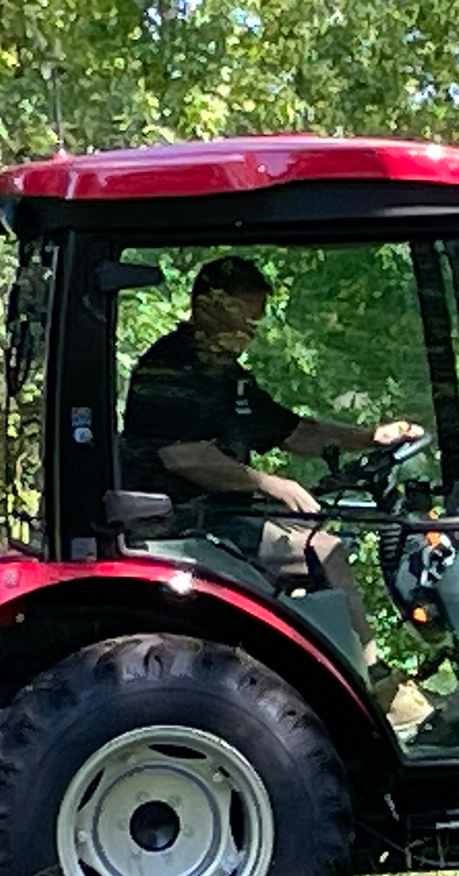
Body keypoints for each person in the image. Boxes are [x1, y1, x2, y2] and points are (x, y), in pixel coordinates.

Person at [120, 256, 423, 663]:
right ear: (211, 305)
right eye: (245, 315)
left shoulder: (229, 377)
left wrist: (369, 438)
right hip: (180, 525)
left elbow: (294, 431)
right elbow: (182, 456)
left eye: (256, 320)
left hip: (220, 517)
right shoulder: (169, 368)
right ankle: (375, 679)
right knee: (324, 550)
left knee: (318, 531)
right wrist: (269, 483)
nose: (250, 330)